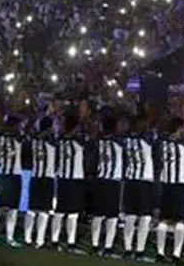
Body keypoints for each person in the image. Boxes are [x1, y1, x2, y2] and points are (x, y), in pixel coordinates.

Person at [156, 116, 184, 262]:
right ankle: (176, 255)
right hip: (180, 185)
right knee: (180, 222)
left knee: (164, 220)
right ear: (180, 128)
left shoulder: (162, 141)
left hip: (166, 184)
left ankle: (160, 253)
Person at [122, 113, 156, 259]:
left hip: (131, 179)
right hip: (144, 181)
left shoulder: (126, 138)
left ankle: (128, 249)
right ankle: (138, 250)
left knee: (131, 216)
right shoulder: (146, 138)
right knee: (144, 217)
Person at [90, 114, 125, 256]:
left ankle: (94, 245)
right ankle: (108, 246)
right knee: (112, 216)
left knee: (98, 215)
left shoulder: (98, 140)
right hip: (112, 182)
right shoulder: (119, 141)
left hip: (100, 180)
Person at [53, 111, 86, 253]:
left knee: (61, 211)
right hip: (74, 179)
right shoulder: (78, 140)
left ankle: (56, 241)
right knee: (71, 213)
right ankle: (69, 242)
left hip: (63, 178)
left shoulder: (60, 138)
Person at [0, 113, 24, 246]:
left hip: (6, 174)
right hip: (10, 175)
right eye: (18, 125)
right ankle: (1, 235)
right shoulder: (16, 137)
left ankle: (1, 235)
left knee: (4, 206)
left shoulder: (0, 136)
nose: (19, 127)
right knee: (5, 207)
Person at [22, 115, 56, 249]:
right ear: (49, 128)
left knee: (32, 209)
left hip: (35, 177)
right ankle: (40, 241)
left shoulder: (34, 140)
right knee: (43, 211)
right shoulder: (52, 141)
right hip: (47, 178)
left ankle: (27, 239)